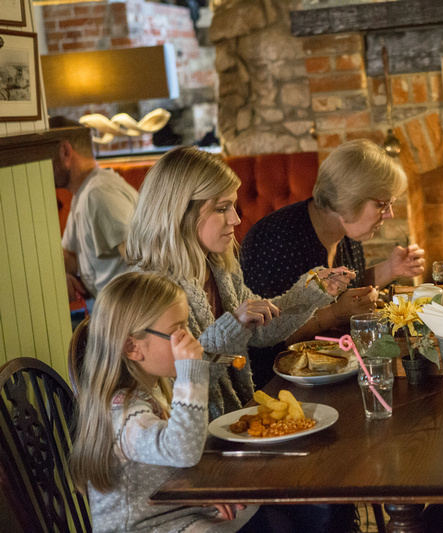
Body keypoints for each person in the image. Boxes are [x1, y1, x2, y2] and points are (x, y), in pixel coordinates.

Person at [125, 147, 353, 421]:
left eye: (233, 206)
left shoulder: (218, 267)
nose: (235, 219)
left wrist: (309, 293)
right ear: (181, 212)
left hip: (232, 416)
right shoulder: (150, 287)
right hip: (190, 433)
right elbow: (184, 375)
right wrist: (235, 323)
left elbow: (260, 330)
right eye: (222, 209)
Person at [69, 272, 260, 531]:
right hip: (146, 527)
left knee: (261, 505)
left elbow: (172, 461)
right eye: (177, 331)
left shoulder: (151, 389)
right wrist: (190, 374)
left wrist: (203, 489)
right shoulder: (123, 416)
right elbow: (182, 450)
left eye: (186, 326)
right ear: (133, 348)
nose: (190, 339)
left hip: (175, 512)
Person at [240, 139, 425, 382]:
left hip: (331, 369)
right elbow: (266, 337)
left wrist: (390, 269)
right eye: (382, 204)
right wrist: (335, 314)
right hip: (276, 381)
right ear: (348, 199)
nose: (389, 214)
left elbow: (345, 292)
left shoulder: (345, 230)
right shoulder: (279, 240)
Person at [50, 116, 138, 305]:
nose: (41, 165)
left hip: (124, 319)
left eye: (45, 157)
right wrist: (61, 274)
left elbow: (144, 262)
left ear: (65, 152)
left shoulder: (98, 193)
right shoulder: (82, 194)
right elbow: (69, 259)